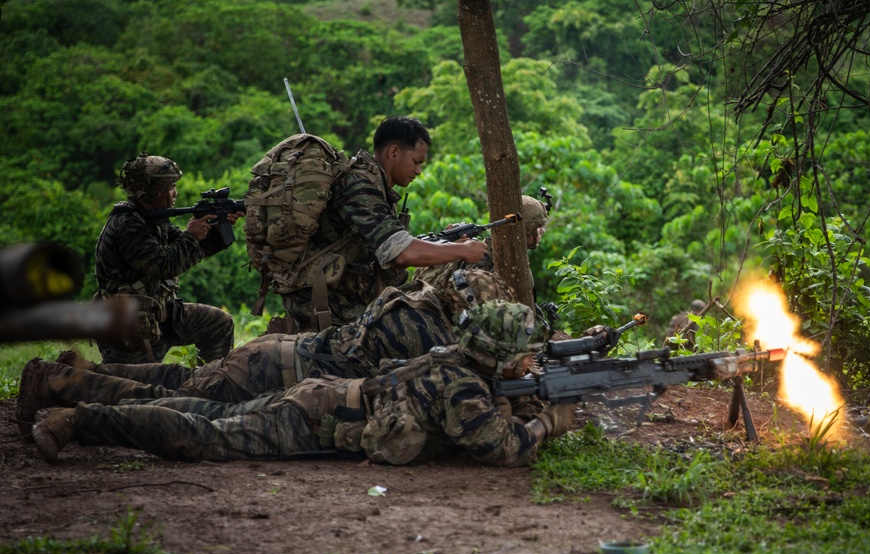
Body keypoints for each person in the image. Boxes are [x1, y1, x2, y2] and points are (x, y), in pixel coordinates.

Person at [32, 301, 576, 467]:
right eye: (523, 355)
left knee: (194, 403)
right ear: (498, 355)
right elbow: (500, 448)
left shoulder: (452, 357)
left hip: (319, 395)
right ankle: (77, 419)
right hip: (317, 417)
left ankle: (66, 390)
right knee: (199, 433)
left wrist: (525, 396)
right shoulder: (463, 386)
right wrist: (548, 420)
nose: (529, 363)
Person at [14, 269, 516, 434]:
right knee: (182, 398)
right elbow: (447, 377)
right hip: (275, 370)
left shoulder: (410, 301)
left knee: (178, 382)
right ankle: (63, 388)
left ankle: (76, 373)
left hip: (277, 353)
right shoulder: (422, 330)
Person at [281, 116, 488, 331]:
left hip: (349, 299)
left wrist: (446, 244)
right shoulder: (359, 186)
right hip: (330, 306)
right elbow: (401, 254)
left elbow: (393, 256)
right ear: (394, 153)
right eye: (416, 161)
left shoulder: (377, 186)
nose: (418, 171)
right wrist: (462, 251)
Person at [95, 153, 237, 364]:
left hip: (162, 316)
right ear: (152, 192)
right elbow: (164, 265)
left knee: (220, 324)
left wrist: (215, 230)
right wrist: (191, 234)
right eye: (169, 188)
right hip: (130, 329)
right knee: (140, 390)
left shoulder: (156, 220)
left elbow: (189, 251)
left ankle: (210, 382)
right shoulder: (127, 225)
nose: (175, 193)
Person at [412, 194, 548, 289]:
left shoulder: (478, 251)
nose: (542, 231)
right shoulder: (488, 264)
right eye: (538, 227)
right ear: (524, 231)